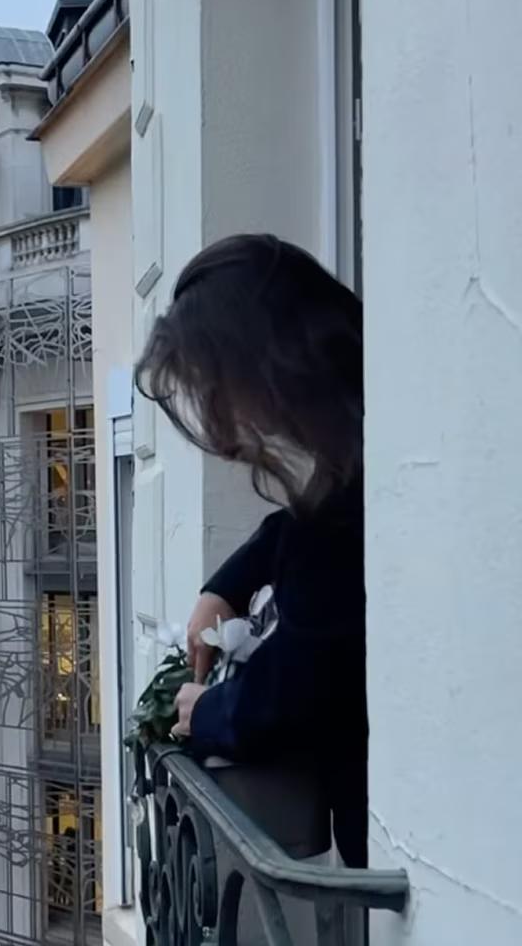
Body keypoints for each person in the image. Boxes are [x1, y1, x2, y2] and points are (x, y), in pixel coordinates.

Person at [135, 233, 367, 866]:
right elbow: (315, 521)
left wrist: (206, 710)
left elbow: (301, 681)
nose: (221, 422)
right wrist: (230, 581)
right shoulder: (369, 429)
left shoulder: (355, 481)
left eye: (219, 390)